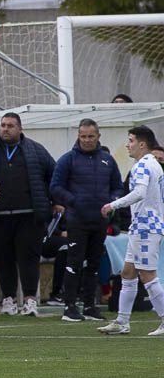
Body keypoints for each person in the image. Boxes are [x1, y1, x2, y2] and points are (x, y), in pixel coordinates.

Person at [48, 119, 124, 323]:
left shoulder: (108, 160)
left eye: (91, 136)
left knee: (94, 264)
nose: (87, 140)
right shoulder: (68, 159)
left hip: (99, 222)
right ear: (78, 136)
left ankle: (90, 306)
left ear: (98, 136)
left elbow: (118, 187)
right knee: (74, 262)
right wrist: (74, 201)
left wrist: (113, 203)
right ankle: (69, 307)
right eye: (83, 136)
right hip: (77, 221)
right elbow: (55, 187)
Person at [0, 111, 56, 316]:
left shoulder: (35, 150)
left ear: (20, 128)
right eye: (3, 125)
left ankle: (30, 300)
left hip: (29, 216)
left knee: (29, 259)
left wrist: (55, 202)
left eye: (10, 125)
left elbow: (53, 175)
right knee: (2, 259)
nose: (6, 128)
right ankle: (9, 300)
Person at [99, 126, 164, 335]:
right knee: (128, 272)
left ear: (142, 144)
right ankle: (122, 321)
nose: (128, 144)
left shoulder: (143, 165)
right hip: (141, 226)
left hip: (146, 226)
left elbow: (140, 192)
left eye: (131, 140)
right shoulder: (153, 164)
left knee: (148, 275)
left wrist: (113, 204)